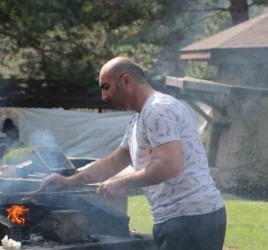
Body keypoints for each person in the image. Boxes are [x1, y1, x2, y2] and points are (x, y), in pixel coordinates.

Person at [40, 57, 226, 250]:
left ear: (127, 81)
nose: (104, 96)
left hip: (191, 218)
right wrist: (69, 181)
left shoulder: (158, 110)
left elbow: (170, 164)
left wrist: (122, 183)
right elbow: (113, 162)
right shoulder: (138, 121)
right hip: (177, 219)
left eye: (106, 87)